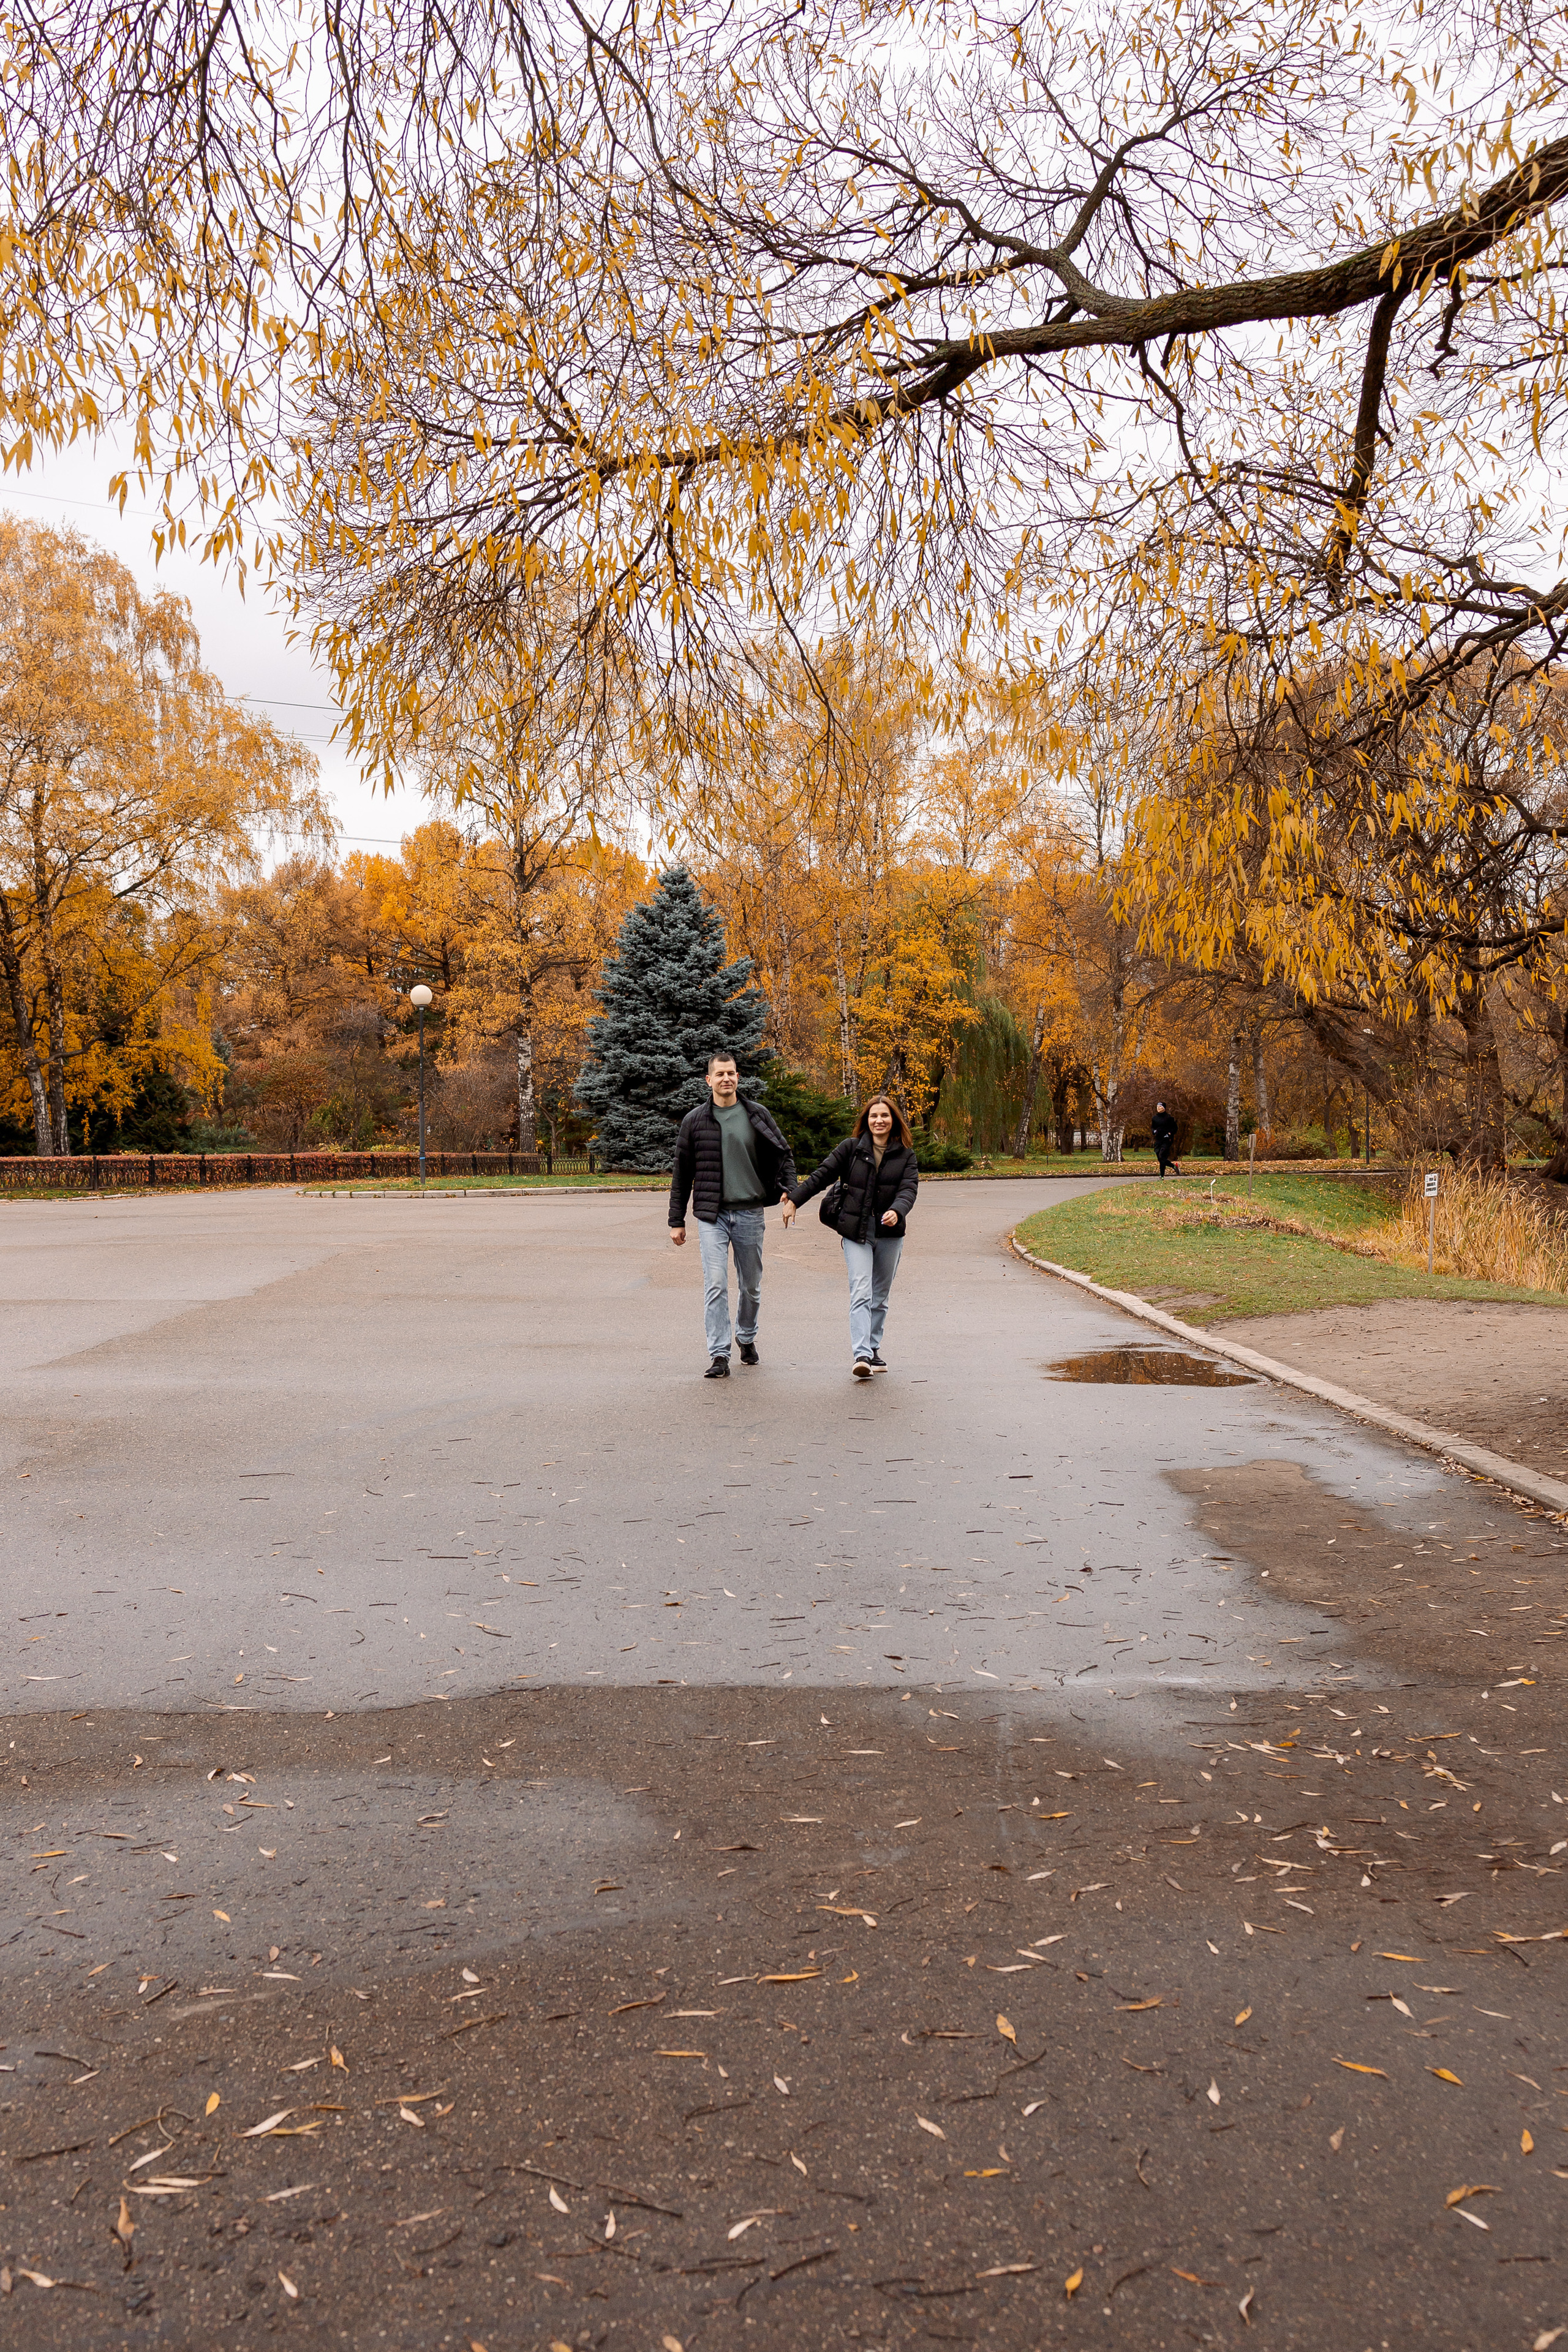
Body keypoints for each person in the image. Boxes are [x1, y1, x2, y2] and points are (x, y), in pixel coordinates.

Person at [669, 1053, 797, 1379]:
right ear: (709, 1080)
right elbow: (682, 1174)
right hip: (712, 1215)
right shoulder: (695, 1121)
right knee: (715, 1284)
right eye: (720, 1074)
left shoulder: (757, 1114)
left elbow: (784, 1155)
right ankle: (719, 1354)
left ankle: (747, 1336)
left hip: (750, 1212)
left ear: (738, 1077)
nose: (726, 1079)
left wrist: (789, 1189)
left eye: (731, 1073)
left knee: (751, 1285)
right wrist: (677, 1220)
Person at [781, 1094, 918, 1378]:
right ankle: (862, 1355)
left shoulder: (905, 1154)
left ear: (894, 1121)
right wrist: (795, 1199)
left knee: (879, 1296)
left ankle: (874, 1347)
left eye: (885, 1116)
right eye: (873, 1116)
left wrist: (898, 1210)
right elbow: (821, 1175)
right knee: (861, 1291)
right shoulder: (851, 1149)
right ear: (866, 1121)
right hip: (857, 1233)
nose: (879, 1121)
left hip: (891, 1234)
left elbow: (909, 1189)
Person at [1152, 1099, 1180, 1178]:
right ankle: (1174, 1166)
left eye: (1160, 1106)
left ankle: (1162, 1176)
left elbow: (1175, 1128)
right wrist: (1154, 1131)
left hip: (1167, 1140)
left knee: (1162, 1156)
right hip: (1158, 1139)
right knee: (1160, 1158)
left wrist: (1169, 1134)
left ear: (1164, 1108)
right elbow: (1153, 1127)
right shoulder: (1155, 1118)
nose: (1158, 1108)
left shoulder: (1169, 1118)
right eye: (1157, 1106)